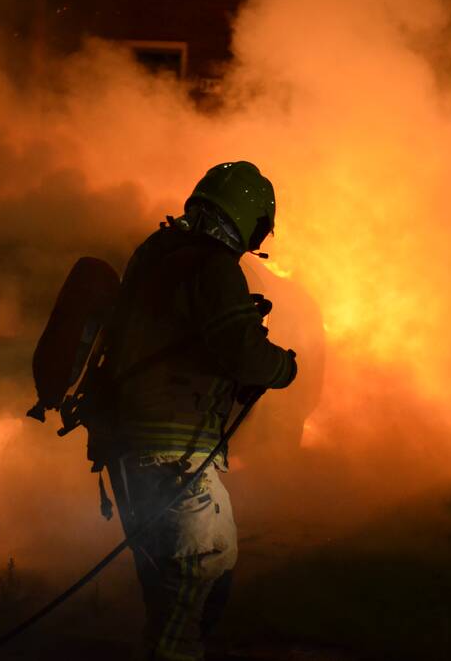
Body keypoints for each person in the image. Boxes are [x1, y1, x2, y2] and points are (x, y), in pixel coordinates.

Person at [96, 161, 297, 660]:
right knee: (200, 567)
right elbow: (244, 354)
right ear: (248, 219)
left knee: (168, 578)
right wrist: (283, 366)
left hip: (127, 450)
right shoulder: (213, 267)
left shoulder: (154, 254)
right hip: (174, 453)